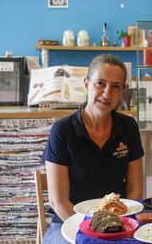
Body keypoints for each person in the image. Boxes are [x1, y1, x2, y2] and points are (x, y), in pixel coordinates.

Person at [43, 54, 144, 243]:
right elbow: (59, 201)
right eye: (100, 83)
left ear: (123, 91)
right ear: (86, 84)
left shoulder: (129, 127)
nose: (107, 93)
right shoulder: (62, 130)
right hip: (68, 221)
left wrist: (116, 227)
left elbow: (135, 189)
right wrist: (95, 231)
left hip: (118, 223)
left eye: (115, 86)